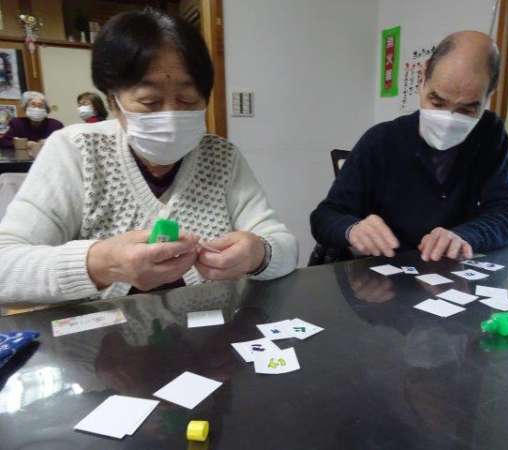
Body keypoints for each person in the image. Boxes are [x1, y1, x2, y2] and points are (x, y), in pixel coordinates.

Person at [0, 9, 298, 304]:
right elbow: (6, 267)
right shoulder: (76, 150)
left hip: (211, 328)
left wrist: (259, 254)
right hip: (100, 333)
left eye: (187, 99)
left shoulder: (221, 156)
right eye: (149, 101)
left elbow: (284, 246)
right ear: (113, 101)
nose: (171, 115)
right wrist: (99, 264)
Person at [311, 31, 508, 262]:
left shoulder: (489, 134)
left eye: (466, 110)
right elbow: (325, 216)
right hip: (384, 270)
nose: (448, 121)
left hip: (446, 270)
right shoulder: (381, 141)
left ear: (489, 96)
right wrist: (352, 230)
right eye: (437, 102)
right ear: (423, 78)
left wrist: (466, 236)